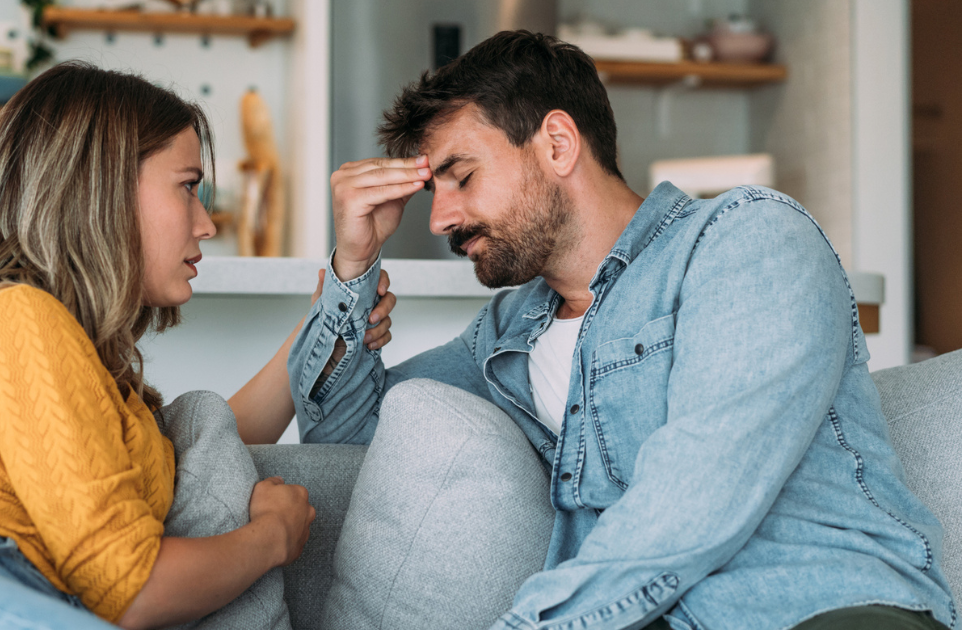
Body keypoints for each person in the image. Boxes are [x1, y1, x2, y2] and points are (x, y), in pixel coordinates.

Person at [288, 30, 955, 630]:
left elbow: (694, 497)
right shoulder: (508, 332)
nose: (440, 219)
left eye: (460, 177)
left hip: (820, 608)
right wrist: (353, 265)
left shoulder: (746, 238)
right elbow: (348, 439)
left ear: (557, 143)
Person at [0, 62, 397, 630]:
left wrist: (340, 297)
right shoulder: (14, 315)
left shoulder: (95, 380)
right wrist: (270, 537)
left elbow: (212, 436)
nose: (206, 223)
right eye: (188, 187)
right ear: (100, 189)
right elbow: (129, 588)